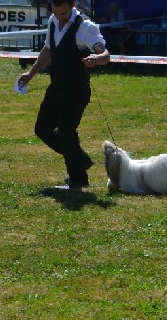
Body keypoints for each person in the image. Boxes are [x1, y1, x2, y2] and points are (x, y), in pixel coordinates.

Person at [18, 0, 110, 190]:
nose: (61, 17)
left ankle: (78, 180)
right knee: (42, 129)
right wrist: (31, 73)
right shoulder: (53, 20)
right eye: (57, 13)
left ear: (73, 4)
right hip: (56, 87)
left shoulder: (85, 27)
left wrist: (95, 59)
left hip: (76, 90)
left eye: (65, 13)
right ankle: (80, 159)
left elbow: (106, 55)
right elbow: (48, 49)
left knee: (66, 134)